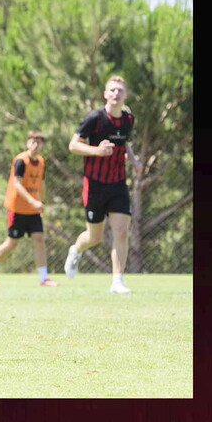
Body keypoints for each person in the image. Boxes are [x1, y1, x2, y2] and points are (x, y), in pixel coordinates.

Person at [63, 75, 144, 294]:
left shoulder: (128, 119)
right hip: (95, 185)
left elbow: (124, 142)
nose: (116, 93)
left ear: (125, 94)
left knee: (121, 232)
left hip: (118, 184)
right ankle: (76, 249)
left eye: (120, 90)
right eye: (112, 90)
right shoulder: (95, 118)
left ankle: (117, 281)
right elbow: (73, 145)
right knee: (94, 237)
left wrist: (133, 160)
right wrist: (97, 151)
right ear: (105, 94)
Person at [0, 130, 57, 287]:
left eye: (39, 142)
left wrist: (41, 202)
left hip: (33, 210)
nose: (36, 145)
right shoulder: (21, 161)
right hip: (17, 209)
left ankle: (43, 278)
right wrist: (32, 201)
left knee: (39, 240)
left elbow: (41, 184)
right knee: (12, 243)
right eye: (33, 141)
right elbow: (17, 184)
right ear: (27, 143)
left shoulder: (41, 162)